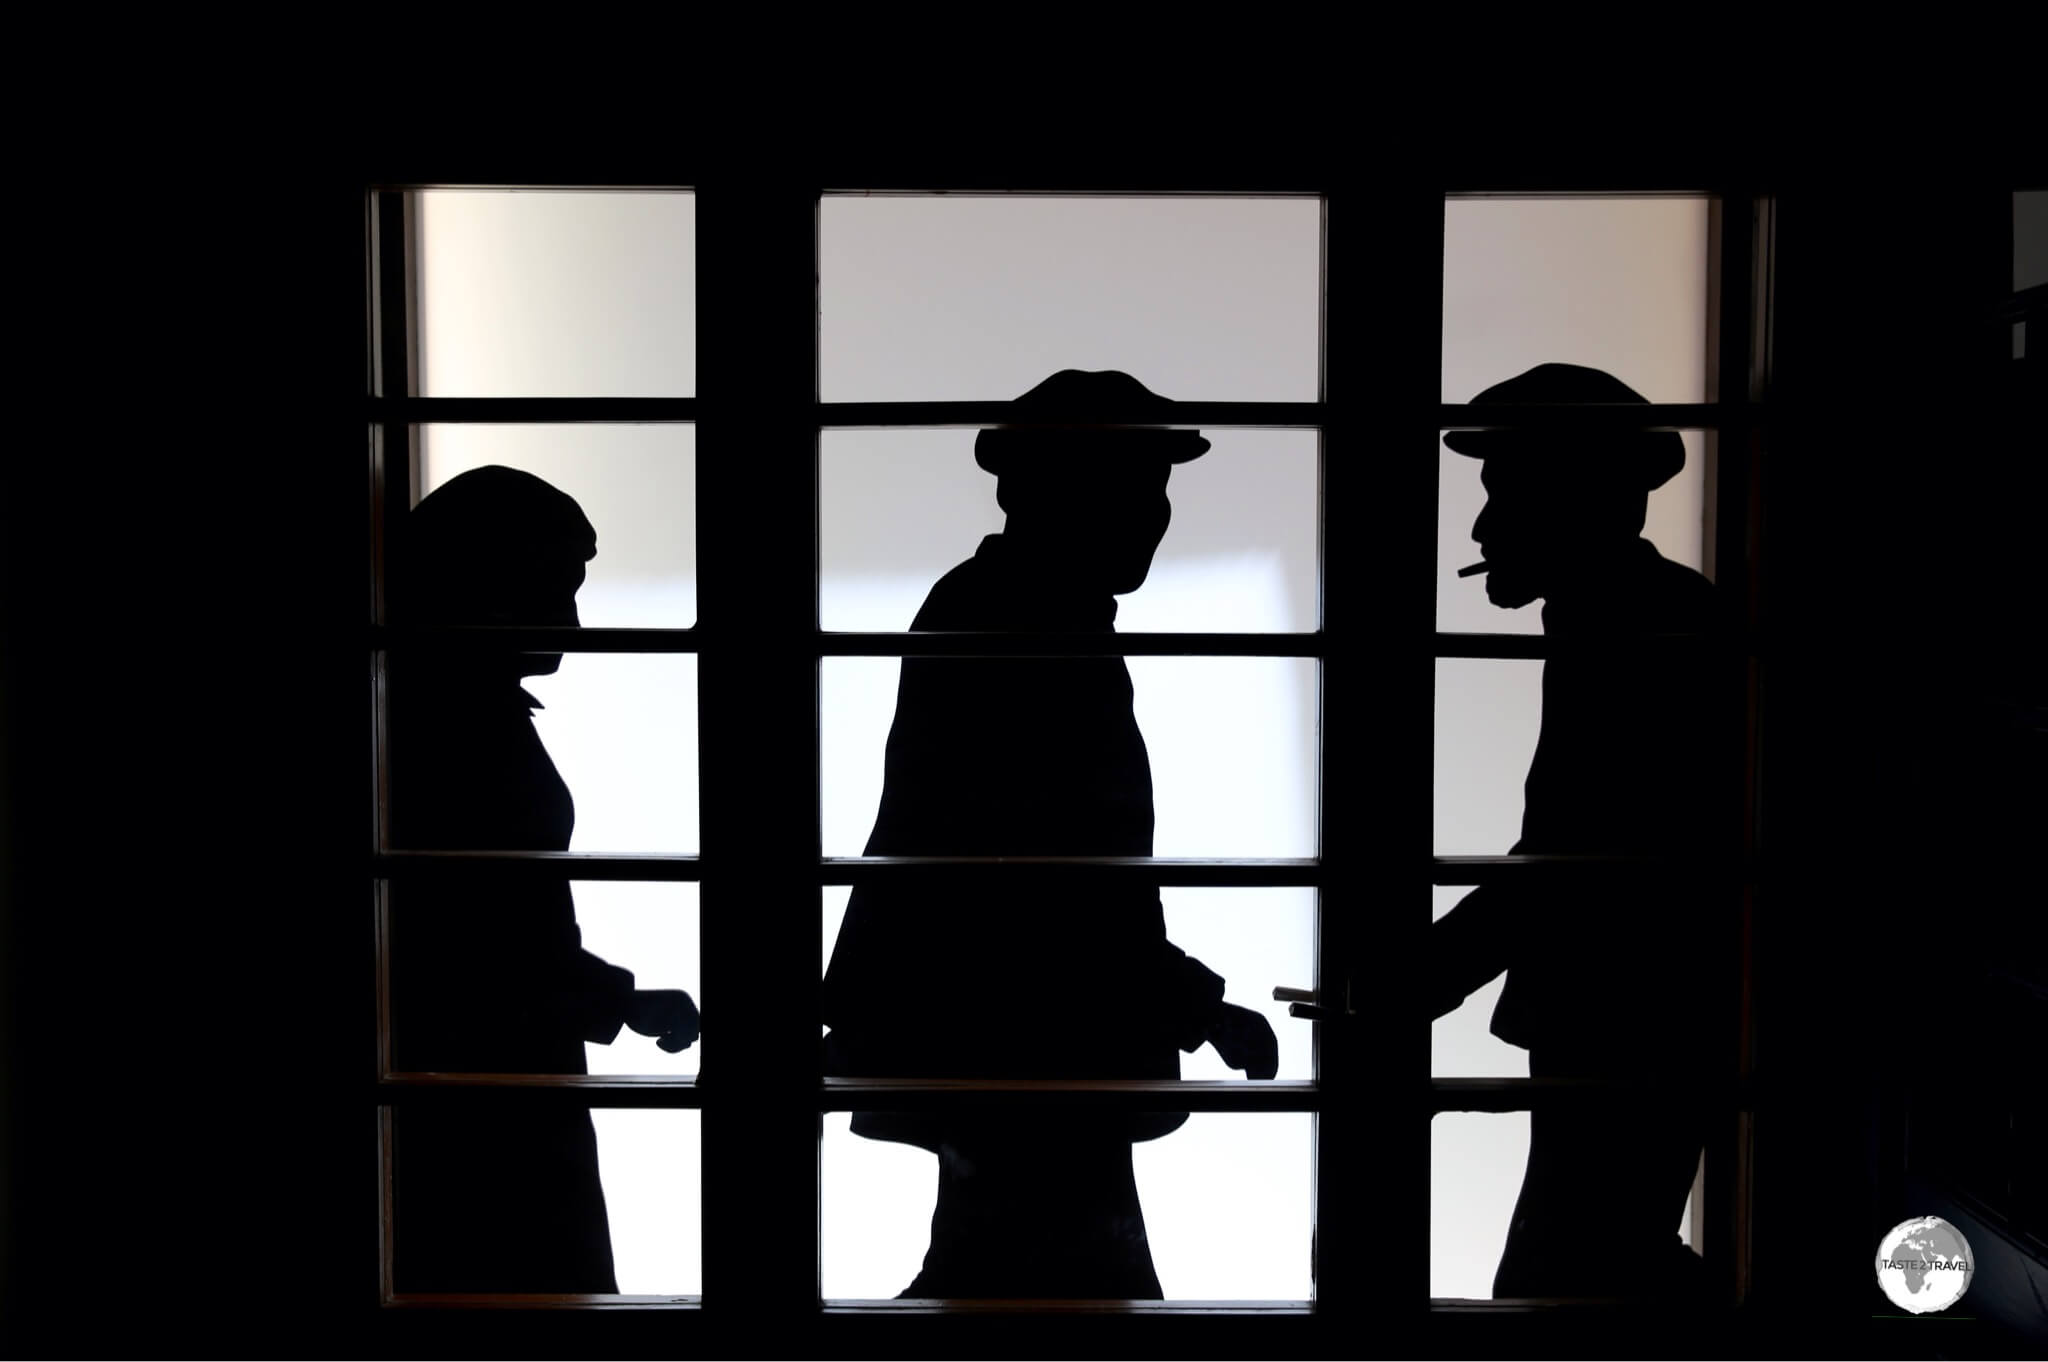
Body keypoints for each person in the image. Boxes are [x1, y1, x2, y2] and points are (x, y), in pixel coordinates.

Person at [822, 370, 1279, 1299]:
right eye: (1137, 488)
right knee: (1064, 1289)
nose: (1153, 518)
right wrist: (1193, 1004)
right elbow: (1047, 885)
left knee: (1006, 1277)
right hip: (1026, 1037)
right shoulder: (1025, 627)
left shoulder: (1005, 610)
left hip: (1004, 1034)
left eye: (1156, 492)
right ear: (1070, 491)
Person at [1429, 364, 1735, 1300]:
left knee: (1570, 1278)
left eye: (1504, 493)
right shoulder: (1641, 616)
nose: (1481, 529)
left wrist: (1425, 974)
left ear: (1578, 497)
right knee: (1592, 1264)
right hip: (1635, 1014)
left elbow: (1575, 855)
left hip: (1628, 1015)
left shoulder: (1636, 633)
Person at [387, 465, 699, 1293]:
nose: (572, 618)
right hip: (483, 1100)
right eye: (553, 587)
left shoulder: (439, 710)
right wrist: (603, 999)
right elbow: (470, 946)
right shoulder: (450, 726)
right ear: (486, 583)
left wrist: (610, 999)